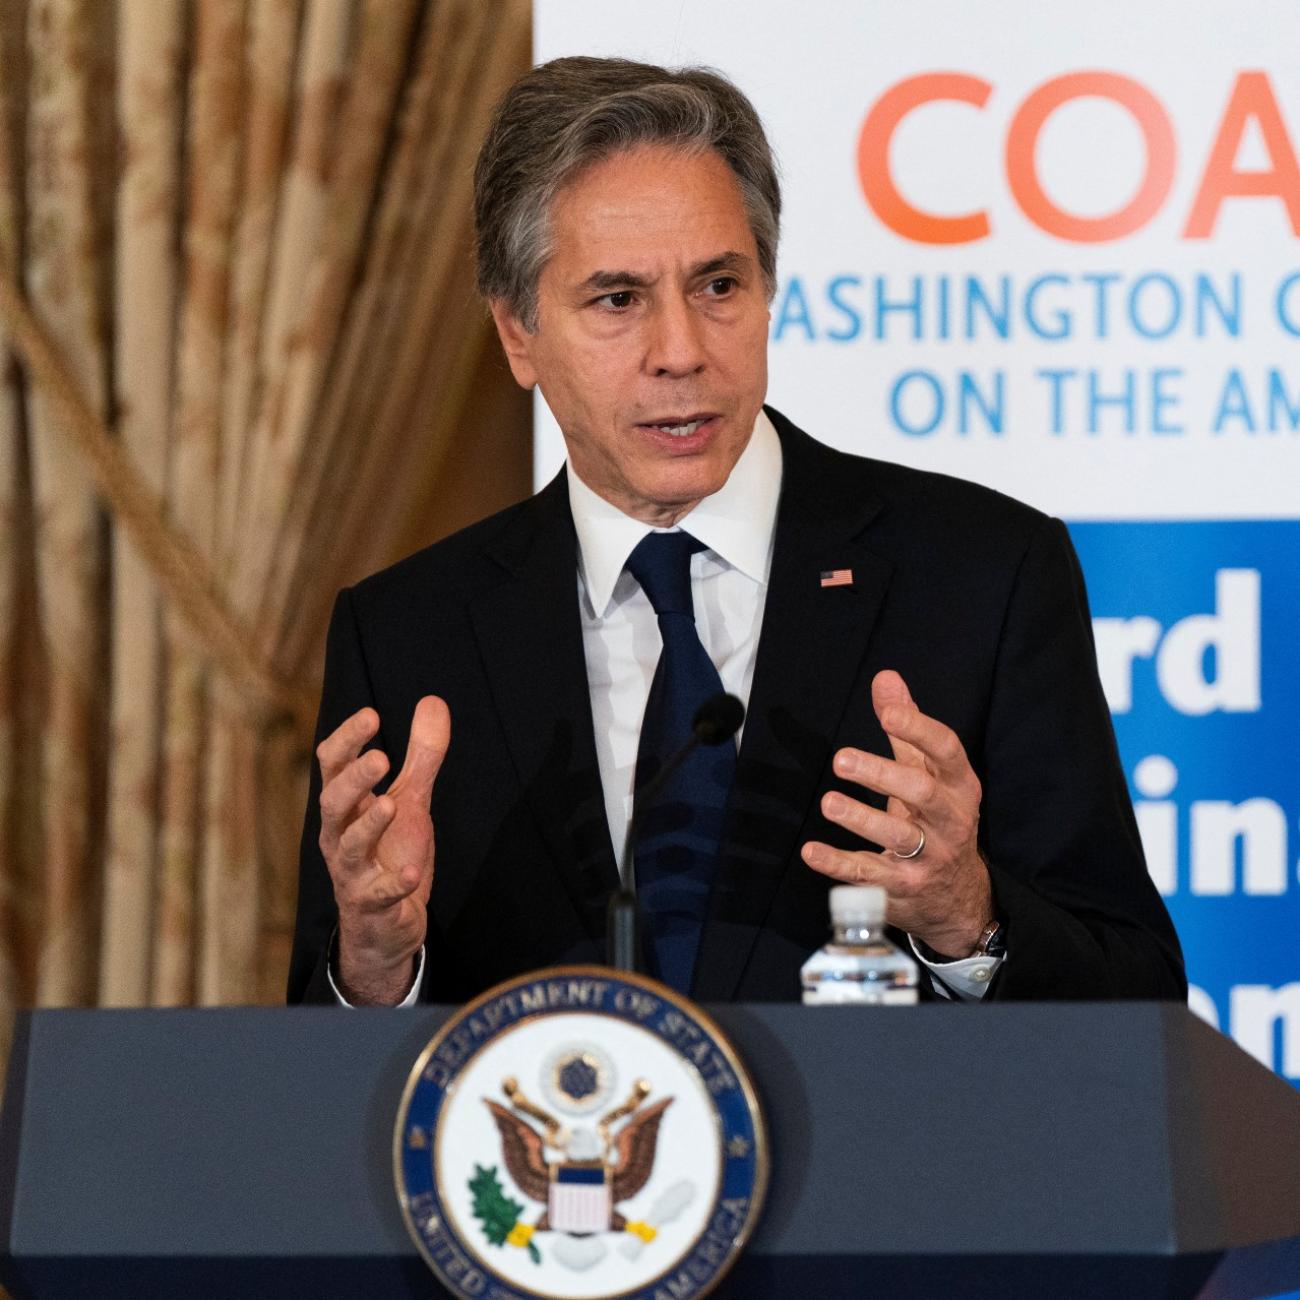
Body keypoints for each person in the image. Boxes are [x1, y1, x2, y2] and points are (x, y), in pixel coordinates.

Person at [287, 57, 1184, 1008]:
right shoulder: (408, 636)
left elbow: (1138, 998)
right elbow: (318, 1067)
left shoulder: (981, 575)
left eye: (719, 286)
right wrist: (377, 961)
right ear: (517, 332)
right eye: (618, 300)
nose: (681, 353)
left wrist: (970, 916)